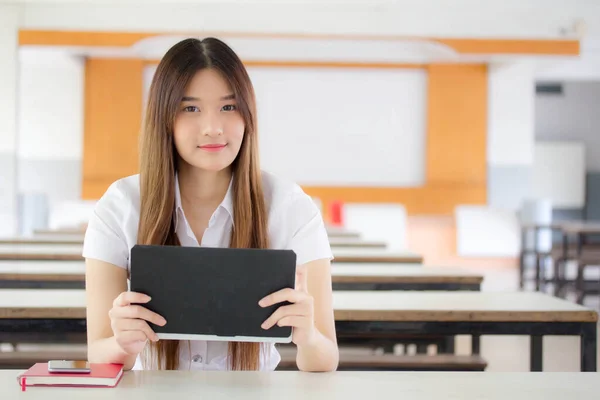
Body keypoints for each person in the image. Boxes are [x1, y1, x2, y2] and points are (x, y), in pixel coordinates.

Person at [82, 37, 339, 373]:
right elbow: (99, 352)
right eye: (191, 108)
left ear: (248, 115)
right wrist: (122, 344)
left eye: (228, 107)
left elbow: (325, 358)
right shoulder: (120, 206)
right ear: (165, 118)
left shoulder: (291, 207)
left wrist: (308, 338)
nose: (213, 128)